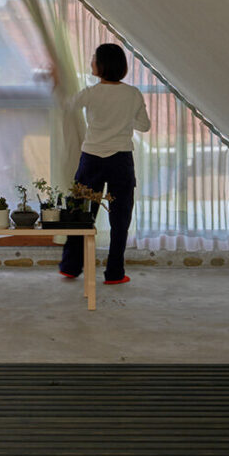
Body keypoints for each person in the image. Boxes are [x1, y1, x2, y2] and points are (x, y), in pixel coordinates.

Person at [58, 43, 151, 284]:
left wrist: (56, 82)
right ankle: (114, 273)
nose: (91, 62)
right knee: (120, 218)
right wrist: (124, 120)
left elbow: (68, 106)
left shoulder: (91, 93)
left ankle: (71, 266)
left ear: (102, 65)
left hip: (91, 158)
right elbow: (144, 126)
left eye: (94, 59)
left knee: (80, 213)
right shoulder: (133, 94)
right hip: (121, 159)